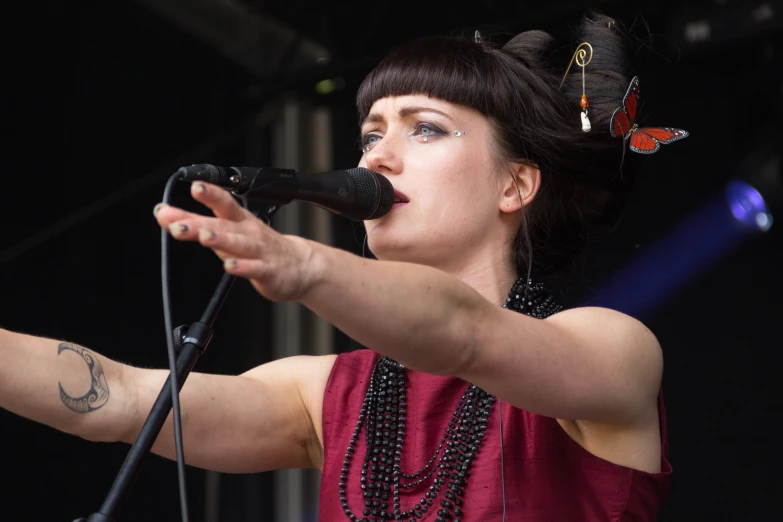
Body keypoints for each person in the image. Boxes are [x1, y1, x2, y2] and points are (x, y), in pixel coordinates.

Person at [0, 12, 673, 521]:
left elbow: (465, 332)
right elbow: (114, 399)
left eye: (425, 127)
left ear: (514, 186)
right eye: (370, 134)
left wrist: (304, 264)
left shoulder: (613, 347)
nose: (375, 156)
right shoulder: (324, 394)